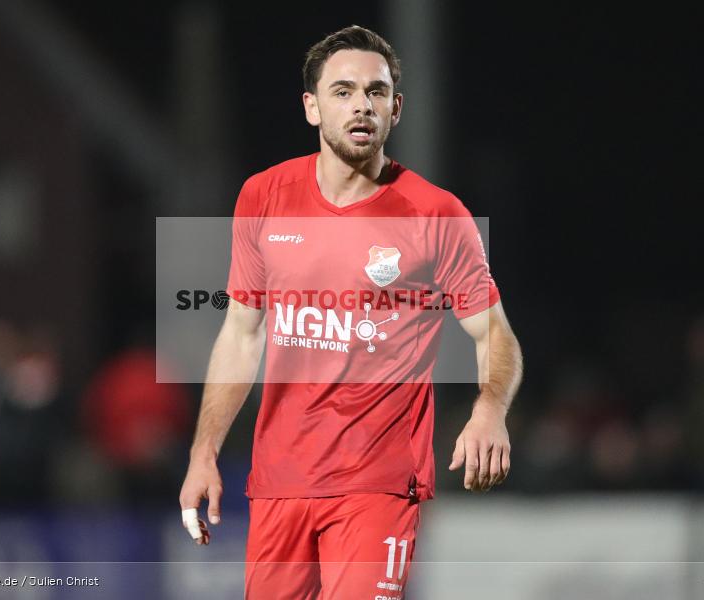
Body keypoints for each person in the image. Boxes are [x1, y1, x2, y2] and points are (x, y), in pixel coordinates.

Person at [179, 25, 523, 599]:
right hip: (280, 483)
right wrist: (203, 453)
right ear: (312, 108)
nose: (362, 104)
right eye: (342, 91)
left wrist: (490, 410)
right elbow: (242, 332)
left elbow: (495, 334)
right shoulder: (263, 196)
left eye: (376, 91)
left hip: (378, 485)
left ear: (396, 109)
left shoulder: (436, 214)